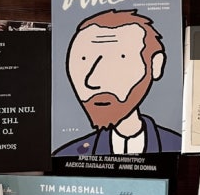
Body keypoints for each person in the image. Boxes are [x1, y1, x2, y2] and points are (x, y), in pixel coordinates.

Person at [52, 9, 181, 156]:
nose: (92, 81)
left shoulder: (178, 148)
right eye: (83, 60)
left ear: (155, 65)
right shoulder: (67, 155)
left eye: (119, 60)